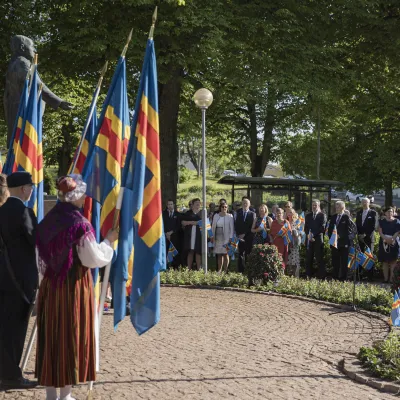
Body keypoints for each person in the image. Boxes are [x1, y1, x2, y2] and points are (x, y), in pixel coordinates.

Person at [35, 174, 118, 400]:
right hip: (73, 288)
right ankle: (65, 395)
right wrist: (108, 242)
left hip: (50, 287)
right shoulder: (80, 224)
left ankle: (52, 393)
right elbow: (92, 258)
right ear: (75, 196)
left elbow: (40, 261)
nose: (84, 199)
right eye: (82, 195)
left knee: (52, 336)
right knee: (70, 334)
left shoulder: (46, 223)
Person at [0, 172, 37, 389]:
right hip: (20, 281)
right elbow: (36, 241)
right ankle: (11, 376)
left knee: (4, 328)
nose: (32, 190)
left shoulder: (2, 210)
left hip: (3, 277)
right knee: (15, 330)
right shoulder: (24, 212)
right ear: (24, 189)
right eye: (30, 187)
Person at [4, 35, 73, 145]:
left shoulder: (13, 64)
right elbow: (37, 85)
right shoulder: (23, 63)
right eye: (32, 46)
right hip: (26, 116)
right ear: (22, 47)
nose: (35, 50)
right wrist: (59, 102)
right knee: (26, 151)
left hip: (18, 115)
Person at [327, 201, 355, 281]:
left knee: (344, 262)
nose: (336, 208)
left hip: (344, 243)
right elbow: (330, 229)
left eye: (338, 207)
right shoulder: (333, 217)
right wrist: (332, 237)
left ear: (343, 207)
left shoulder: (347, 217)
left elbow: (349, 231)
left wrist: (340, 235)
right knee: (335, 261)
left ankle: (343, 278)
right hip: (334, 243)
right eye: (336, 207)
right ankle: (335, 277)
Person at [304, 200, 327, 279]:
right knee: (309, 257)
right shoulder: (308, 216)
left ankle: (321, 276)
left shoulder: (322, 215)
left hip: (318, 239)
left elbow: (322, 227)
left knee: (319, 257)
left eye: (315, 205)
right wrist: (309, 234)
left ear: (318, 206)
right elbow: (306, 227)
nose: (314, 207)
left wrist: (313, 235)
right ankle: (308, 275)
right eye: (313, 205)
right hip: (309, 239)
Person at [378, 206, 400, 283]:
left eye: (391, 211)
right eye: (388, 211)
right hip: (384, 242)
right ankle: (385, 279)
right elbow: (380, 231)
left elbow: (397, 232)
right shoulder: (381, 221)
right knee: (385, 261)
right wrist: (385, 239)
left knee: (393, 261)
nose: (389, 213)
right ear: (385, 213)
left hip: (394, 243)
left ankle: (391, 279)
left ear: (393, 212)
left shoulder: (397, 221)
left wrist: (392, 239)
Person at [211, 202, 235, 273]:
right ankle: (219, 270)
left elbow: (232, 228)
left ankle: (225, 270)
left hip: (227, 237)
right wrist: (212, 236)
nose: (224, 208)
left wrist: (231, 237)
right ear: (220, 208)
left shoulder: (230, 216)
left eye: (225, 207)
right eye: (222, 207)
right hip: (218, 236)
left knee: (225, 254)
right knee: (219, 254)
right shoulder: (216, 215)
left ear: (227, 208)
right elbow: (213, 226)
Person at [235, 198, 256, 273]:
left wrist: (244, 234)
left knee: (248, 254)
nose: (245, 204)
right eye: (243, 203)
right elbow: (236, 224)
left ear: (249, 204)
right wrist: (239, 234)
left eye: (246, 203)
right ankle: (240, 271)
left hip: (248, 237)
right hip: (240, 237)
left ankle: (248, 270)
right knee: (240, 254)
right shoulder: (238, 213)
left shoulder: (252, 214)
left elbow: (251, 226)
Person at [181, 198, 202, 270]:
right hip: (190, 235)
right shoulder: (188, 213)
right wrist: (192, 222)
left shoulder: (202, 213)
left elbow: (204, 223)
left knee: (198, 252)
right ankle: (189, 269)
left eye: (199, 204)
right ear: (192, 205)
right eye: (196, 204)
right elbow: (183, 222)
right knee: (190, 251)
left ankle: (199, 269)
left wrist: (191, 222)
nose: (198, 205)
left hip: (199, 235)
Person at [162, 199, 181, 268]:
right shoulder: (163, 214)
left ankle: (174, 267)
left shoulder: (177, 214)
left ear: (173, 205)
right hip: (165, 236)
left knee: (174, 251)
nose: (170, 206)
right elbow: (161, 224)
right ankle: (165, 266)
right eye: (168, 204)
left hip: (174, 236)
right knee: (166, 250)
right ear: (166, 205)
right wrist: (166, 233)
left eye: (171, 204)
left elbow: (178, 225)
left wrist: (171, 232)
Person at [286, 208, 301, 277]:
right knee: (288, 261)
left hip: (294, 244)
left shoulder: (296, 222)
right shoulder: (285, 222)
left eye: (291, 212)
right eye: (288, 212)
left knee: (295, 260)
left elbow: (301, 233)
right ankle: (288, 276)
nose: (290, 214)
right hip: (286, 244)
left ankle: (296, 276)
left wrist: (295, 232)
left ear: (294, 213)